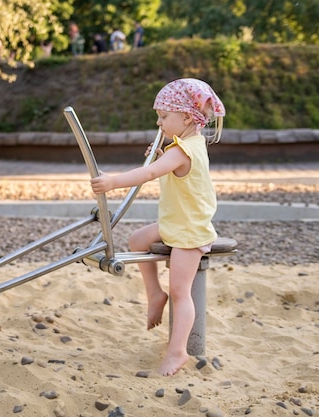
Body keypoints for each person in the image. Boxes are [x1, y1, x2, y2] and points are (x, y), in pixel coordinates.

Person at [90, 78, 225, 376]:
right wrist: (164, 154)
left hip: (190, 231)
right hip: (175, 222)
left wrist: (112, 182)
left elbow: (150, 173)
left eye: (164, 117)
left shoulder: (182, 150)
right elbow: (170, 167)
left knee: (180, 290)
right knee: (137, 240)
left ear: (187, 117)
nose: (158, 122)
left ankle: (178, 352)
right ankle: (154, 293)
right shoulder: (187, 144)